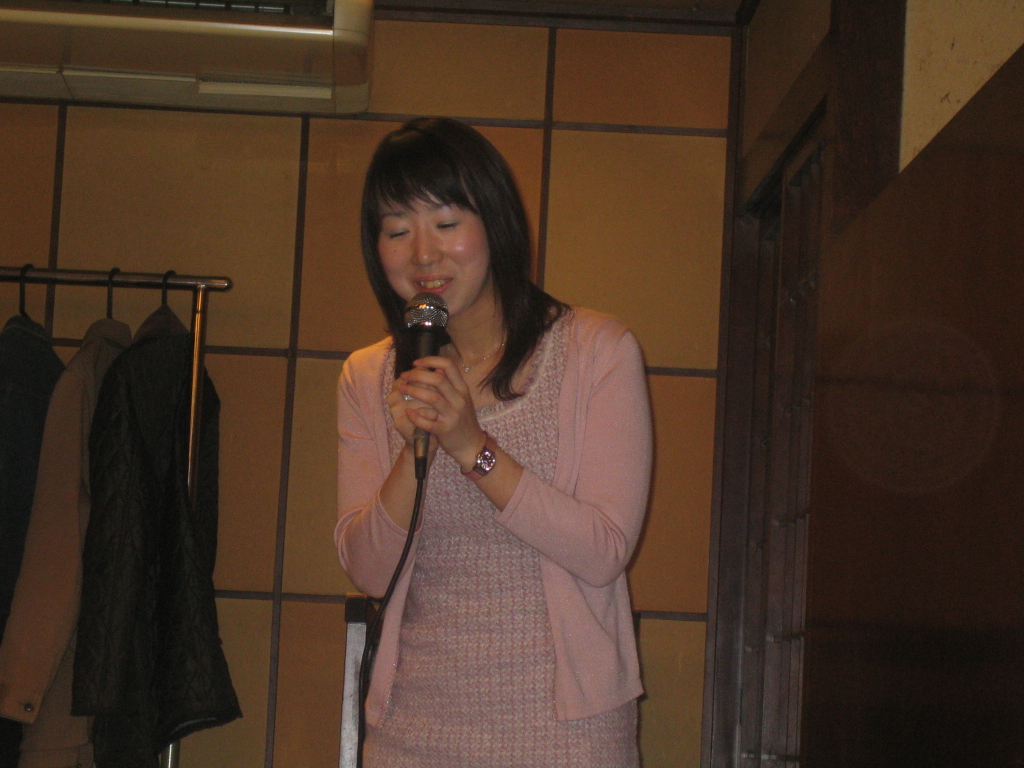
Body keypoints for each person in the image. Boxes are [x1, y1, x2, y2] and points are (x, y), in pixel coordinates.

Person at [335, 117, 653, 767]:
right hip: (412, 731)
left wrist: (471, 447)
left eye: (446, 223)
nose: (423, 255)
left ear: (496, 224)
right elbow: (367, 569)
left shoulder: (597, 352)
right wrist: (415, 450)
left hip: (567, 735)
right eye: (397, 230)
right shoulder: (367, 377)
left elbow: (604, 551)